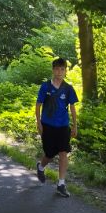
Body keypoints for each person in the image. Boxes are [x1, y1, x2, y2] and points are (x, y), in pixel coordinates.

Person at [35, 58, 78, 198]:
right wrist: (38, 123)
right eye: (57, 69)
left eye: (62, 69)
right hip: (47, 125)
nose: (59, 72)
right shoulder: (45, 86)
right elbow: (38, 105)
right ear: (53, 70)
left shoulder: (68, 88)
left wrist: (75, 125)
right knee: (49, 153)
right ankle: (41, 167)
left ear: (65, 71)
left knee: (63, 152)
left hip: (63, 126)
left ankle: (61, 184)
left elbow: (72, 108)